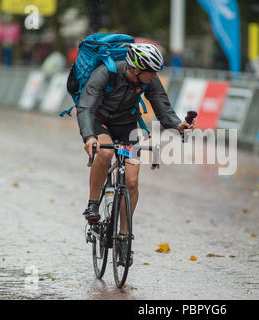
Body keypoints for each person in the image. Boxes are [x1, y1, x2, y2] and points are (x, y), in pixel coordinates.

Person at [76, 43, 195, 263]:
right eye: (152, 72)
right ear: (138, 69)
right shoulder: (106, 73)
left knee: (131, 182)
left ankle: (124, 236)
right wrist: (89, 137)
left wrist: (178, 125)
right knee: (104, 154)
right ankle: (93, 204)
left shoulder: (148, 79)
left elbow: (162, 106)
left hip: (127, 126)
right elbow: (86, 106)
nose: (155, 75)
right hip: (99, 122)